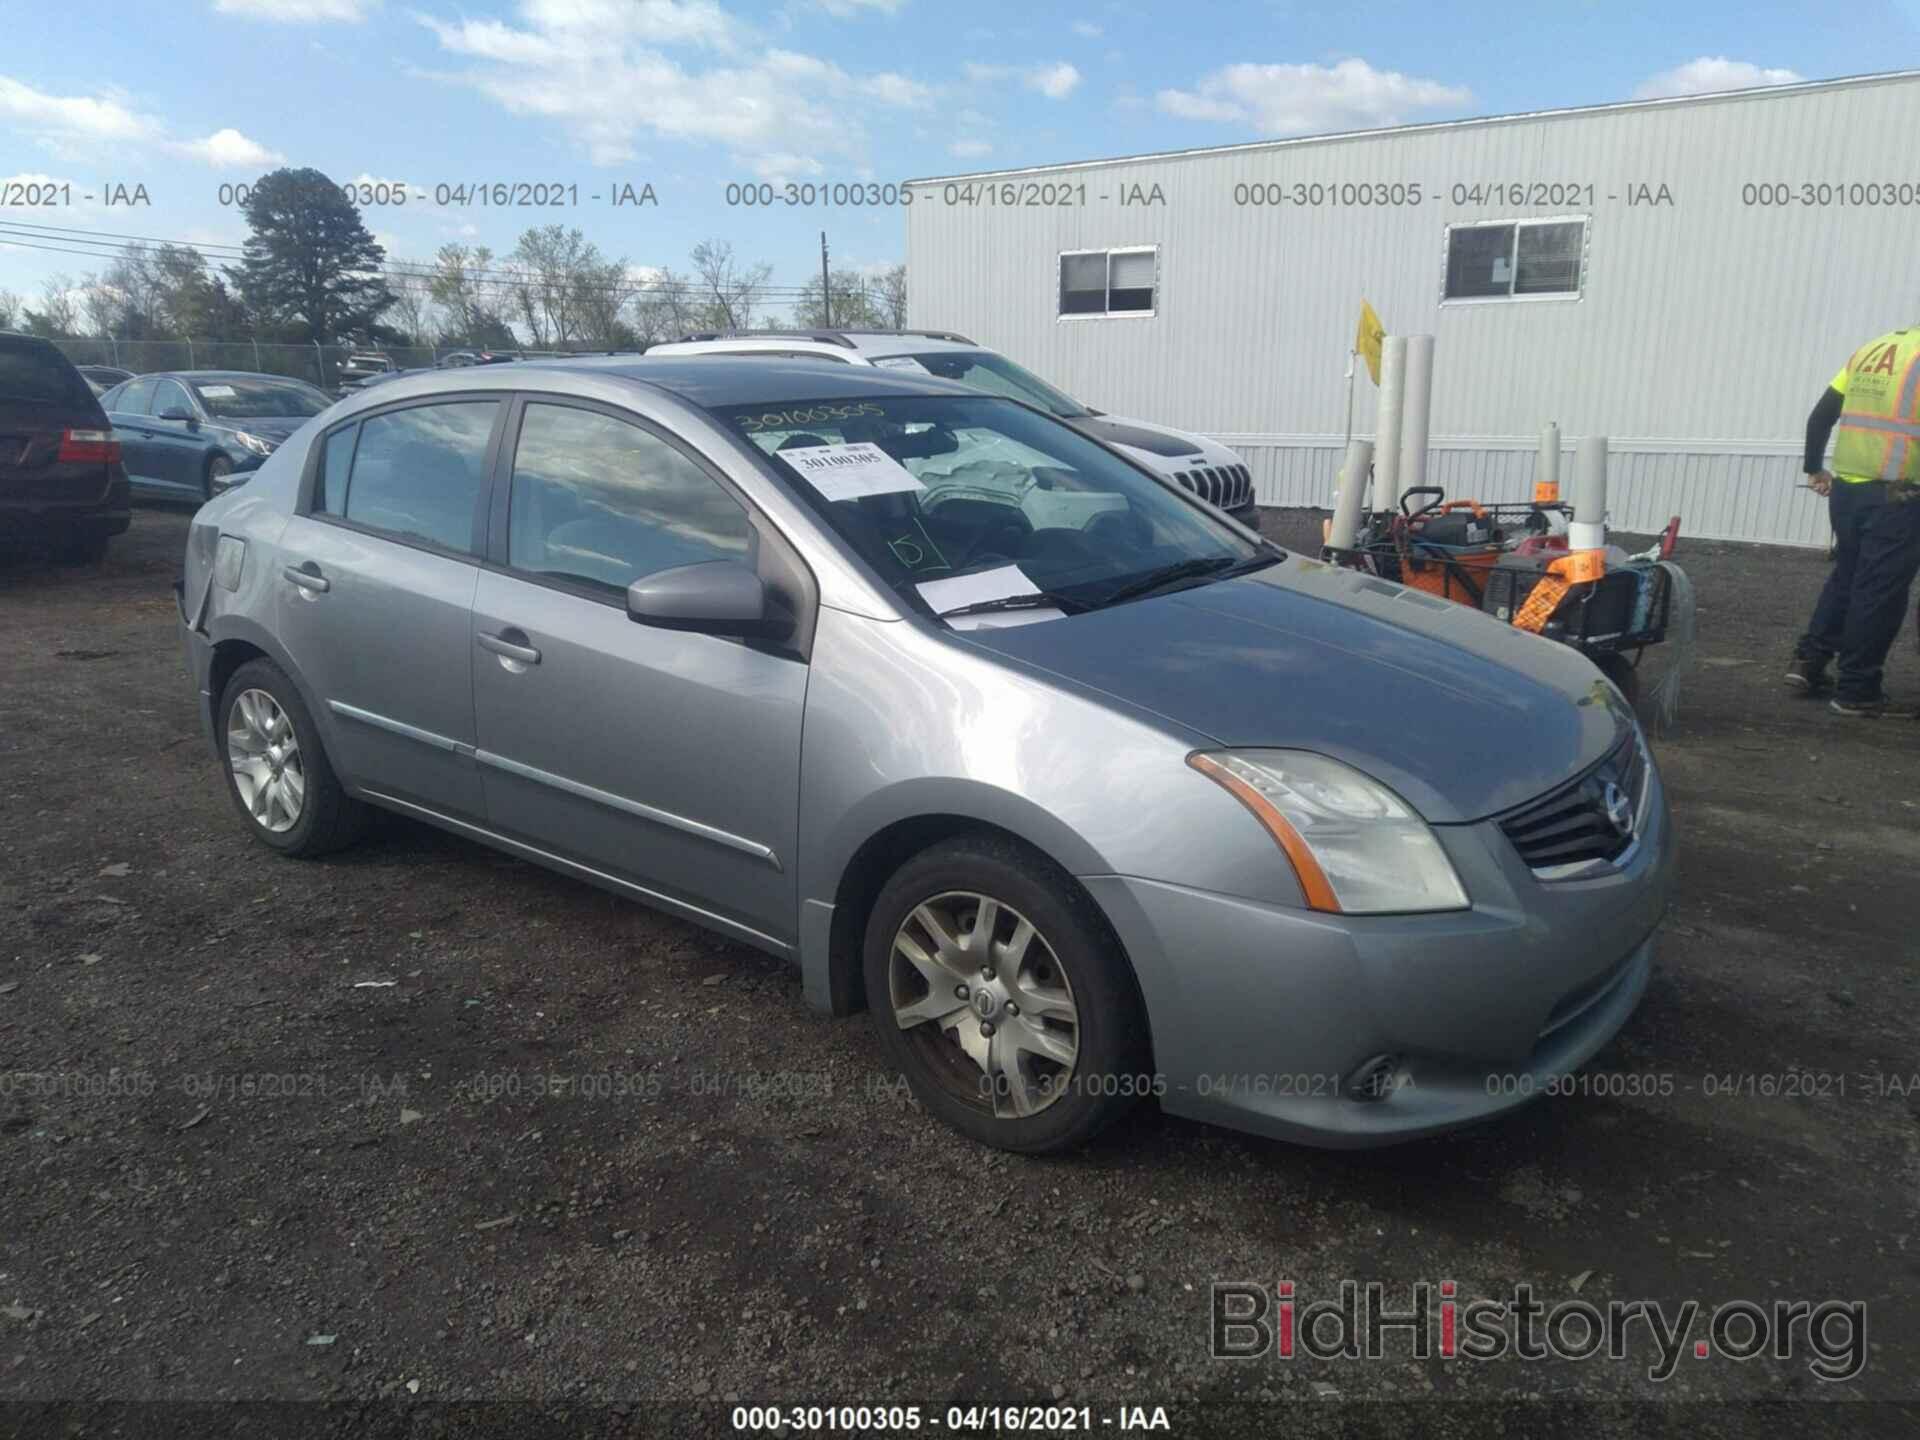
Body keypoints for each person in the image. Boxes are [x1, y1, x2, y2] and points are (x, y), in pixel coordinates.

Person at [1787, 327, 1920, 714]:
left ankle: (1808, 662)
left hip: (1848, 491)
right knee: (1879, 591)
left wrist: (1815, 468)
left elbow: (1821, 416)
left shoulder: (1875, 348)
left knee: (1848, 576)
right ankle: (1857, 689)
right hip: (1898, 495)